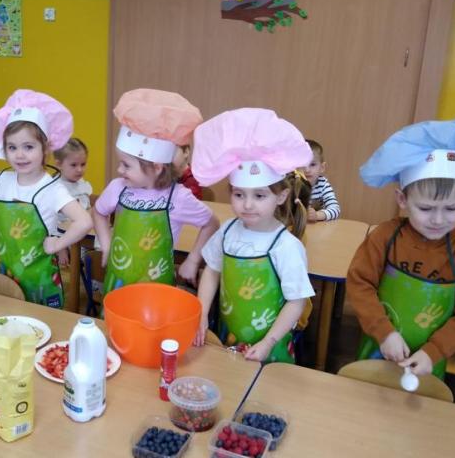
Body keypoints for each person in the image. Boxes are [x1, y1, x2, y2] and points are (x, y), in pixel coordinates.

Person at [347, 118, 455, 378]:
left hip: (429, 362)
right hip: (378, 346)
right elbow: (360, 283)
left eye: (451, 208)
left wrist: (434, 351)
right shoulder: (385, 237)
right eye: (426, 208)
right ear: (402, 199)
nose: (438, 220)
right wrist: (384, 332)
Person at [191, 108, 315, 363]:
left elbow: (296, 302)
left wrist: (268, 342)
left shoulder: (286, 246)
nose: (247, 205)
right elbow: (212, 271)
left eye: (259, 195)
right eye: (239, 194)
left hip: (271, 348)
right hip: (228, 336)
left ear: (280, 196)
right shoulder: (227, 231)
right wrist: (201, 314)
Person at [0, 90, 92, 309]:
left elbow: (84, 221)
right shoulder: (0, 181)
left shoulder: (52, 189)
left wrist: (59, 243)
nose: (19, 155)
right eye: (12, 147)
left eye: (28, 147)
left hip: (41, 278)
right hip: (9, 272)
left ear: (45, 148)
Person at [92, 89, 218, 293]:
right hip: (117, 282)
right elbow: (98, 212)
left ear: (156, 167)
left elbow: (211, 223)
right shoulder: (117, 187)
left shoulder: (178, 197)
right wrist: (106, 246)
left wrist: (193, 260)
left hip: (157, 289)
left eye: (126, 165)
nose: (119, 170)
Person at [52, 138, 92, 268]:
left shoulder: (81, 183)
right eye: (74, 165)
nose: (79, 169)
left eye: (83, 164)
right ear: (59, 164)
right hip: (64, 237)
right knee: (87, 259)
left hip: (84, 231)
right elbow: (50, 221)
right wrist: (60, 247)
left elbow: (87, 206)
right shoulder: (56, 188)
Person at [303, 139, 340, 222]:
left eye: (312, 164)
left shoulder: (323, 184)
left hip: (318, 226)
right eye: (302, 165)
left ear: (322, 167)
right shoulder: (292, 184)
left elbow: (335, 209)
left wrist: (317, 215)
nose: (307, 170)